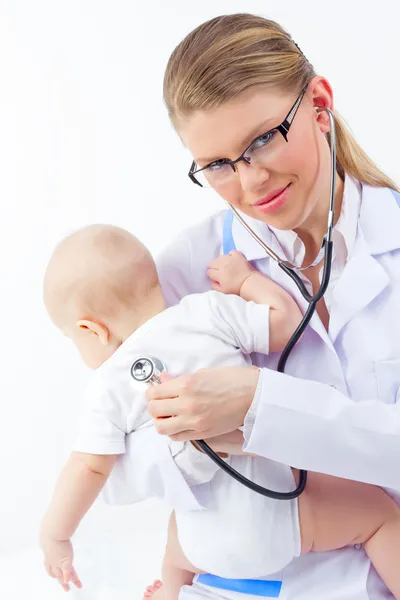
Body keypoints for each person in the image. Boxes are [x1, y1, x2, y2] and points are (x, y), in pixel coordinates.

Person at [135, 11, 400, 600]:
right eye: (218, 165)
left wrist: (263, 408)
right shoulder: (187, 270)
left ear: (319, 104)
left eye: (260, 139)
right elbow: (137, 445)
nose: (250, 180)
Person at [40, 225, 400, 600]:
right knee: (379, 514)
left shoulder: (106, 386)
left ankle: (170, 589)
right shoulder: (204, 314)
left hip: (201, 549)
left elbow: (89, 468)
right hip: (276, 529)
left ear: (91, 329)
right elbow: (287, 323)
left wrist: (56, 534)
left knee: (175, 533)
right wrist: (245, 280)